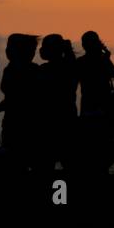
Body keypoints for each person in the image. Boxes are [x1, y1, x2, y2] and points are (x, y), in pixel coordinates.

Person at [75, 31, 114, 175]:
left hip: (88, 104)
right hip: (104, 105)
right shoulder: (103, 60)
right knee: (103, 144)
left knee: (89, 146)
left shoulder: (80, 62)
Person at [0, 33, 41, 169]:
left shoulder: (14, 71)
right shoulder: (34, 70)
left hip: (18, 124)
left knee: (16, 162)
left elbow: (14, 99)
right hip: (25, 123)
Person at [36, 34, 78, 171]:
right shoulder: (71, 67)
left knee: (45, 164)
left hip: (48, 123)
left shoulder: (43, 70)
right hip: (68, 119)